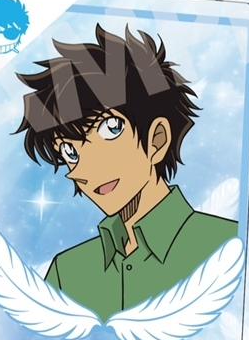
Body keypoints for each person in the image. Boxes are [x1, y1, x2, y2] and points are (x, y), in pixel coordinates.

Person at [15, 25, 237, 322]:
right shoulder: (68, 271)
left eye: (110, 129)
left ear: (157, 139)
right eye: (70, 152)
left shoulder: (226, 247)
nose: (85, 170)